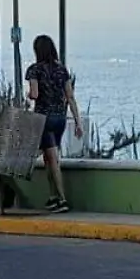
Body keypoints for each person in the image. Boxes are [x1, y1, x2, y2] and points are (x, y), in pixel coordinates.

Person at [24, 34, 82, 213]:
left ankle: (62, 198)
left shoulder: (34, 70)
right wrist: (78, 122)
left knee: (52, 159)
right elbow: (70, 97)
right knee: (49, 159)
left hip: (44, 119)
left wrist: (28, 95)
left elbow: (34, 94)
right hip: (60, 119)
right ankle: (52, 197)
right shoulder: (62, 70)